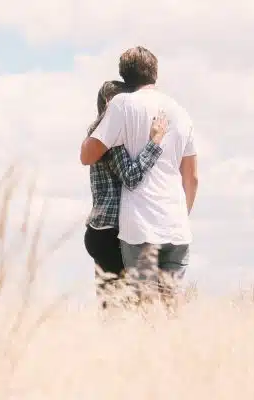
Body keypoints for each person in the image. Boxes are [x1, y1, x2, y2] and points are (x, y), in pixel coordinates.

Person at [80, 46, 199, 307]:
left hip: (135, 228)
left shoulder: (121, 110)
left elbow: (89, 156)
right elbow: (192, 178)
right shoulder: (180, 111)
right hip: (173, 226)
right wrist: (180, 213)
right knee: (169, 306)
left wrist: (153, 142)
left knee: (134, 307)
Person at [84, 80, 169, 309]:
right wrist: (155, 142)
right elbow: (131, 176)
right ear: (112, 104)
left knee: (112, 307)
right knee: (127, 307)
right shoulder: (111, 138)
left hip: (101, 231)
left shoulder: (100, 134)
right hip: (110, 233)